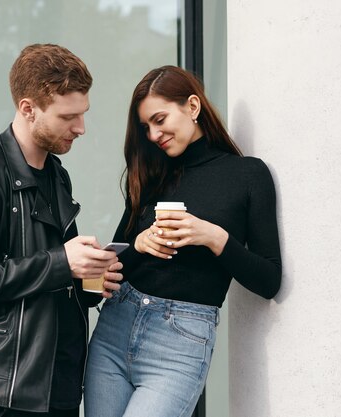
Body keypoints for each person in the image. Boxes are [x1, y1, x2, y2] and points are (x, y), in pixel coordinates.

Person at [84, 65, 282, 417]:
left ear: (193, 106)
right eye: (146, 127)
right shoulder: (151, 176)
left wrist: (215, 238)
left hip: (181, 341)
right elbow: (109, 273)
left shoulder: (248, 175)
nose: (154, 134)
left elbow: (269, 280)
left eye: (160, 119)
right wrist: (139, 245)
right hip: (115, 327)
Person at [0, 43, 123, 417]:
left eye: (83, 114)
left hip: (62, 379)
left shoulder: (57, 174)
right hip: (10, 387)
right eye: (68, 116)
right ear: (28, 109)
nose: (81, 128)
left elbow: (54, 273)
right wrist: (62, 262)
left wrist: (88, 279)